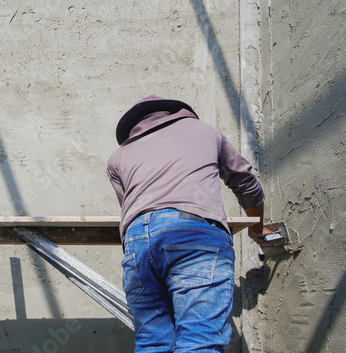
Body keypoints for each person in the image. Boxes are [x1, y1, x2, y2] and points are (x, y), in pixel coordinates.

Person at [106, 95, 270, 352]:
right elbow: (245, 183)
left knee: (152, 341)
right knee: (199, 340)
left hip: (138, 243)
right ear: (177, 112)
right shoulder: (205, 131)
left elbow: (131, 210)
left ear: (132, 127)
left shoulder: (118, 157)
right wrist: (256, 228)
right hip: (194, 235)